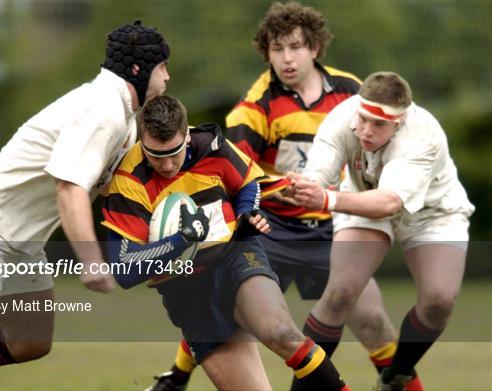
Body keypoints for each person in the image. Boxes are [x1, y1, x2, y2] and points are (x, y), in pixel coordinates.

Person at [148, 3, 422, 390]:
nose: (287, 58)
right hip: (273, 231)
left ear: (314, 48)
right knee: (224, 303)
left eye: (295, 47)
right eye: (277, 49)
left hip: (331, 231)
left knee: (374, 320)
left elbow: (375, 144)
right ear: (267, 52)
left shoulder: (351, 93)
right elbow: (236, 178)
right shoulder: (254, 107)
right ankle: (176, 377)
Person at [0, 20, 170, 381]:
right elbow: (68, 187)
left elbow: (113, 196)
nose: (167, 77)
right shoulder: (103, 110)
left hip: (21, 244)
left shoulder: (126, 120)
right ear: (138, 69)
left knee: (30, 340)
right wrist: (90, 261)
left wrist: (149, 254)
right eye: (163, 67)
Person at [102, 94, 350, 390]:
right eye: (156, 155)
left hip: (235, 257)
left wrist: (247, 214)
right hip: (186, 292)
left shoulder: (213, 147)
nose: (167, 165)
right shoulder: (129, 180)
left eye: (175, 152)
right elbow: (125, 271)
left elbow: (247, 183)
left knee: (283, 333)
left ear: (187, 136)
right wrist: (181, 240)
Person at [287, 71, 474, 390]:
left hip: (432, 213)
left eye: (378, 125)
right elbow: (319, 173)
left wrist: (327, 198)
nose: (365, 130)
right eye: (363, 119)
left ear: (398, 123)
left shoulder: (421, 135)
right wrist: (303, 186)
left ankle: (395, 377)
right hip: (362, 201)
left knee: (439, 300)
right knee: (340, 292)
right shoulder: (343, 116)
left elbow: (389, 202)